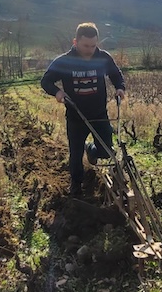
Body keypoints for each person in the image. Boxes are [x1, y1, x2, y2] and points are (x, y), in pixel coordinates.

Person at [41, 22, 126, 196]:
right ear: (75, 42)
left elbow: (116, 74)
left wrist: (120, 87)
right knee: (75, 153)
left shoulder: (103, 57)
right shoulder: (64, 61)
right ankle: (76, 184)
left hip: (99, 114)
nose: (90, 50)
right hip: (76, 116)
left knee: (106, 150)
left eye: (93, 45)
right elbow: (46, 82)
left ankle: (92, 150)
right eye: (86, 46)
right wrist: (57, 92)